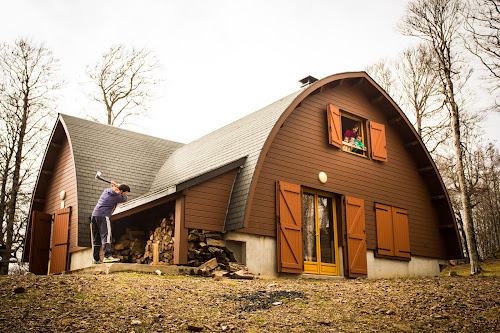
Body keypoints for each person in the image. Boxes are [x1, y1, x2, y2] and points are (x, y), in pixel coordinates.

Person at [91, 181, 130, 264]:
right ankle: (107, 256)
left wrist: (116, 187)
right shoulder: (118, 196)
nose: (125, 194)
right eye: (125, 192)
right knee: (107, 235)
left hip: (94, 215)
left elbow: (116, 191)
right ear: (122, 191)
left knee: (97, 239)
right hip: (103, 216)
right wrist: (118, 186)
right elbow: (125, 199)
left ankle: (96, 259)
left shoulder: (107, 191)